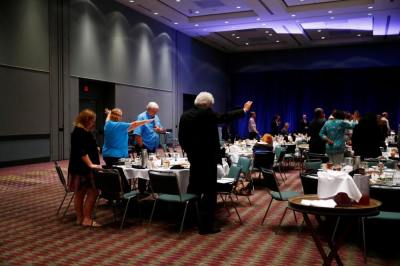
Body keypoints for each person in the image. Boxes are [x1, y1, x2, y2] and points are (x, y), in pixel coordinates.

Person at [178, 92, 252, 234]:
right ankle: (206, 226)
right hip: (208, 159)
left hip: (194, 159)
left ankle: (190, 218)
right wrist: (244, 110)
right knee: (209, 192)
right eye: (212, 105)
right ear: (208, 105)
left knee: (193, 189)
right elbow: (225, 117)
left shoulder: (185, 115)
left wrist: (190, 152)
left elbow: (182, 138)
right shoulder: (207, 114)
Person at [68, 109, 102, 227]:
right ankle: (87, 219)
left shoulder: (77, 131)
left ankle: (80, 218)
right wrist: (90, 164)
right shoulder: (82, 132)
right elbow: (82, 151)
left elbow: (84, 147)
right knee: (93, 192)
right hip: (83, 169)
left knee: (79, 194)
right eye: (93, 120)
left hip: (77, 167)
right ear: (87, 120)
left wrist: (95, 148)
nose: (93, 123)